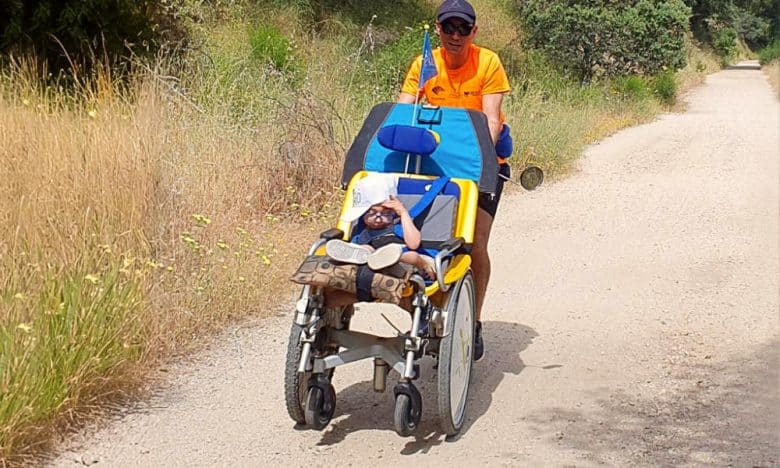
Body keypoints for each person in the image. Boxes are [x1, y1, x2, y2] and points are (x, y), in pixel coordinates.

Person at [398, 0, 512, 362]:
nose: (456, 36)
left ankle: (472, 321)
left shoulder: (488, 62)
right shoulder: (424, 65)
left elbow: (491, 120)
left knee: (474, 242)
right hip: (432, 165)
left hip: (480, 163)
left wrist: (478, 164)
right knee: (418, 241)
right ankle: (425, 309)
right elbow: (403, 112)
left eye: (464, 29)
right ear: (439, 29)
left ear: (474, 32)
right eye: (450, 28)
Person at [326, 172, 435, 278]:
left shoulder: (397, 228)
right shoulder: (362, 233)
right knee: (365, 249)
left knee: (411, 256)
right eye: (372, 213)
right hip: (376, 266)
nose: (378, 218)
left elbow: (414, 244)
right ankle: (356, 257)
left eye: (386, 213)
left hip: (405, 262)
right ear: (363, 214)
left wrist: (403, 213)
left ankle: (418, 263)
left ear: (393, 212)